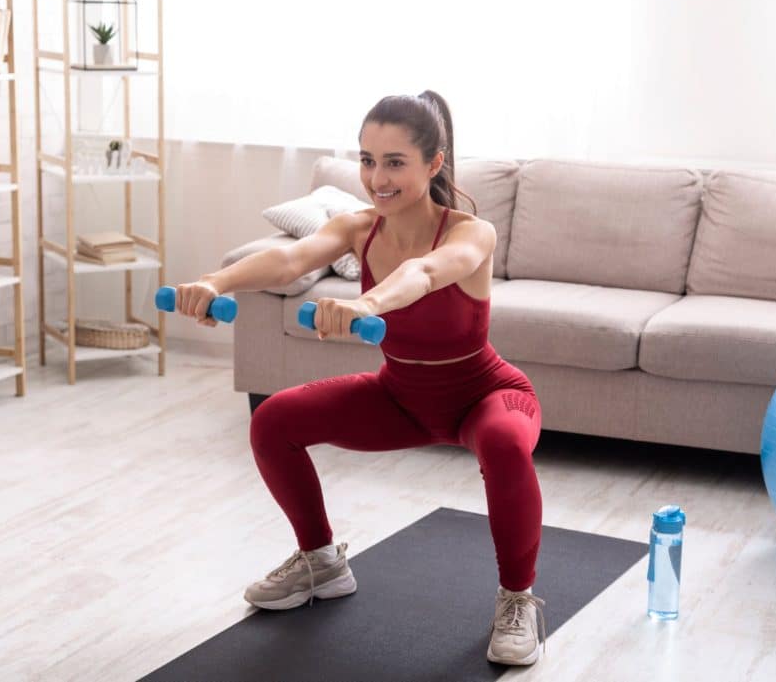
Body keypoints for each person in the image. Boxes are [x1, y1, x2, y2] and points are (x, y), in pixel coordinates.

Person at [173, 90, 546, 666]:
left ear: (433, 164)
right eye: (367, 160)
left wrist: (367, 304)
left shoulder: (471, 233)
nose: (377, 177)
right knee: (274, 420)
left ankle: (518, 600)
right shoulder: (357, 226)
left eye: (395, 161)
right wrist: (214, 282)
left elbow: (424, 272)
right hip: (401, 395)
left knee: (502, 444)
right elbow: (290, 261)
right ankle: (321, 562)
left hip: (486, 396)